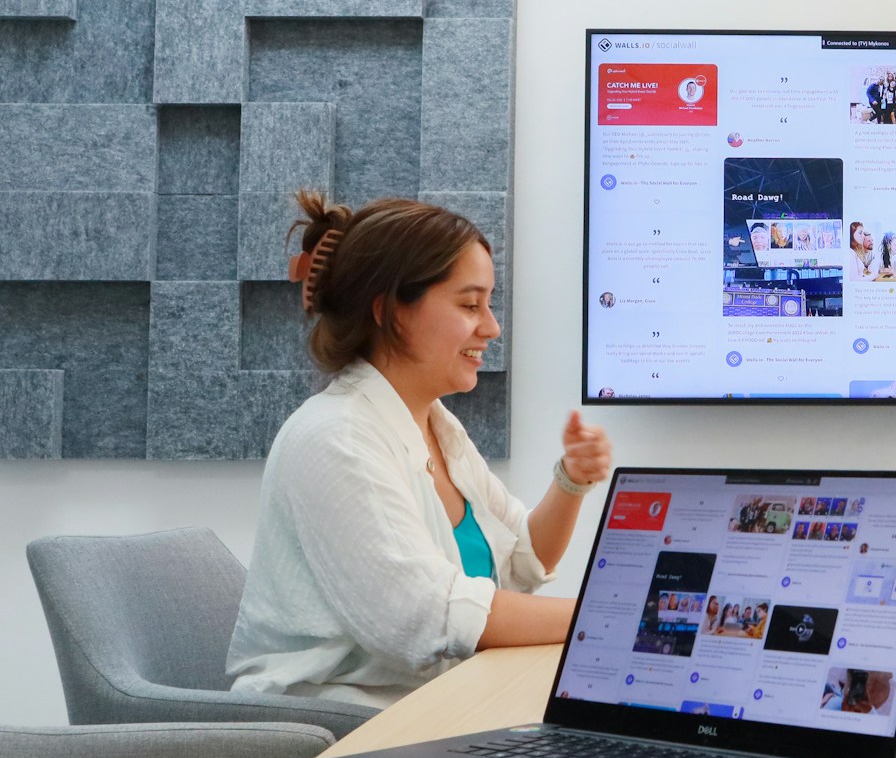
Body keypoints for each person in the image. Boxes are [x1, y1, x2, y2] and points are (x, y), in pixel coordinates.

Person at [228, 191, 614, 709]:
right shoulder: (336, 438)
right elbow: (428, 616)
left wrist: (570, 481)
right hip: (338, 727)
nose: (492, 327)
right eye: (470, 305)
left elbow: (522, 560)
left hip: (433, 707)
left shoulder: (436, 425)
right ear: (392, 311)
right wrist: (612, 619)